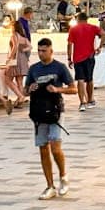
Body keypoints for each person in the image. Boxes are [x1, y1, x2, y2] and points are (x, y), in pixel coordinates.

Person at [25, 39, 77, 200]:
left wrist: (57, 89)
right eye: (39, 51)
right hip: (39, 112)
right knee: (43, 147)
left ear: (51, 51)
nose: (41, 54)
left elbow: (73, 88)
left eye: (44, 51)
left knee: (55, 146)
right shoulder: (34, 69)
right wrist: (29, 89)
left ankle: (63, 176)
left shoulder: (59, 67)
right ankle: (49, 186)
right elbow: (24, 90)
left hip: (55, 111)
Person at [66, 13, 105, 112]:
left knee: (80, 80)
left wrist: (69, 58)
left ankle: (82, 103)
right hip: (90, 57)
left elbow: (69, 44)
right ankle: (90, 100)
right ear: (86, 19)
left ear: (78, 19)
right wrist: (100, 47)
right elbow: (104, 34)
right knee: (89, 79)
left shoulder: (73, 29)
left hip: (77, 58)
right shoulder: (93, 27)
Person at [5, 18, 32, 109]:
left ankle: (20, 96)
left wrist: (10, 57)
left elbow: (15, 46)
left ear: (14, 27)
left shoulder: (14, 35)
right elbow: (30, 46)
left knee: (8, 79)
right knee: (19, 82)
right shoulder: (24, 38)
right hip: (23, 60)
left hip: (15, 60)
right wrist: (24, 50)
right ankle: (20, 101)